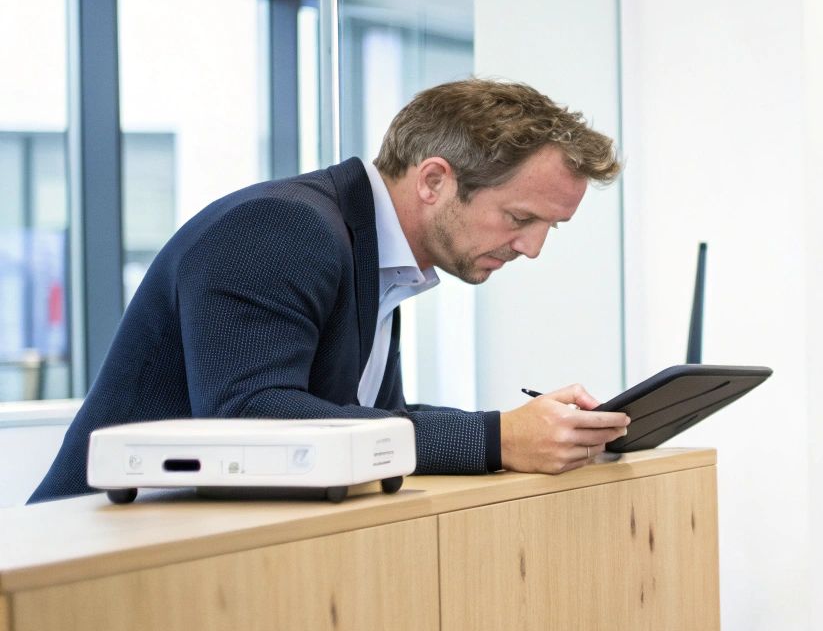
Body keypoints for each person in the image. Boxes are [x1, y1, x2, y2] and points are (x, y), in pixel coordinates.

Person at [32, 78, 630, 502]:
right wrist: (495, 438)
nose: (532, 248)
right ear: (434, 180)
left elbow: (362, 423)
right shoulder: (281, 228)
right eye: (521, 218)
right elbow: (252, 420)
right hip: (88, 564)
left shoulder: (375, 252)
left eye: (549, 228)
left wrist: (524, 431)